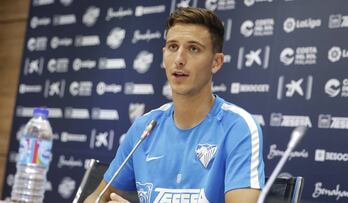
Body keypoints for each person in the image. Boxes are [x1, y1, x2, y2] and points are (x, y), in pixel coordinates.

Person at [85, 7, 264, 203]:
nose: (179, 59)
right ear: (163, 54)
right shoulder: (144, 128)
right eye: (172, 47)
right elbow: (96, 197)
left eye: (193, 48)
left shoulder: (238, 128)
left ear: (216, 62)